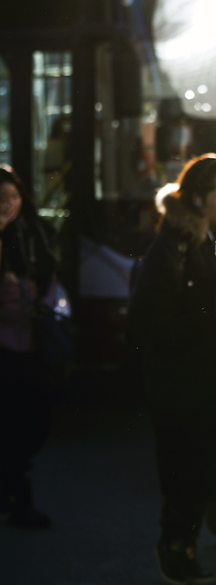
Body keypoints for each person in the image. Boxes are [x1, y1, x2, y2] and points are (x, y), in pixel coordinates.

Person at [127, 154, 216, 584]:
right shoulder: (173, 244)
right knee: (182, 471)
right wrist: (209, 328)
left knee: (202, 467)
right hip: (179, 384)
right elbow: (149, 318)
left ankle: (188, 545)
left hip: (215, 383)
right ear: (197, 199)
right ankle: (175, 549)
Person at [0, 165, 58, 530]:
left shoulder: (32, 232)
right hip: (4, 345)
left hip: (30, 339)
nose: (8, 205)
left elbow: (50, 270)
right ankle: (18, 500)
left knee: (31, 420)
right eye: (0, 199)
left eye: (13, 197)